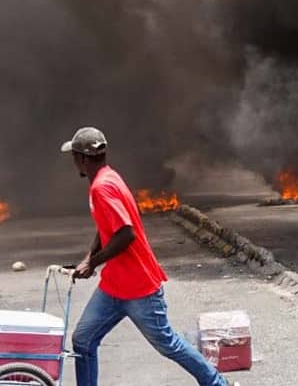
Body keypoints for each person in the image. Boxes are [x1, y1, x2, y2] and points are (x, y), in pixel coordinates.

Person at [61, 127, 231, 386]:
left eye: (74, 155)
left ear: (83, 159)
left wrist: (93, 263)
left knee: (168, 343)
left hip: (139, 287)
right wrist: (89, 258)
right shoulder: (108, 178)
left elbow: (126, 233)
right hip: (113, 287)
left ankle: (216, 383)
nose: (73, 161)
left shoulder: (102, 187)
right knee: (82, 340)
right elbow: (108, 226)